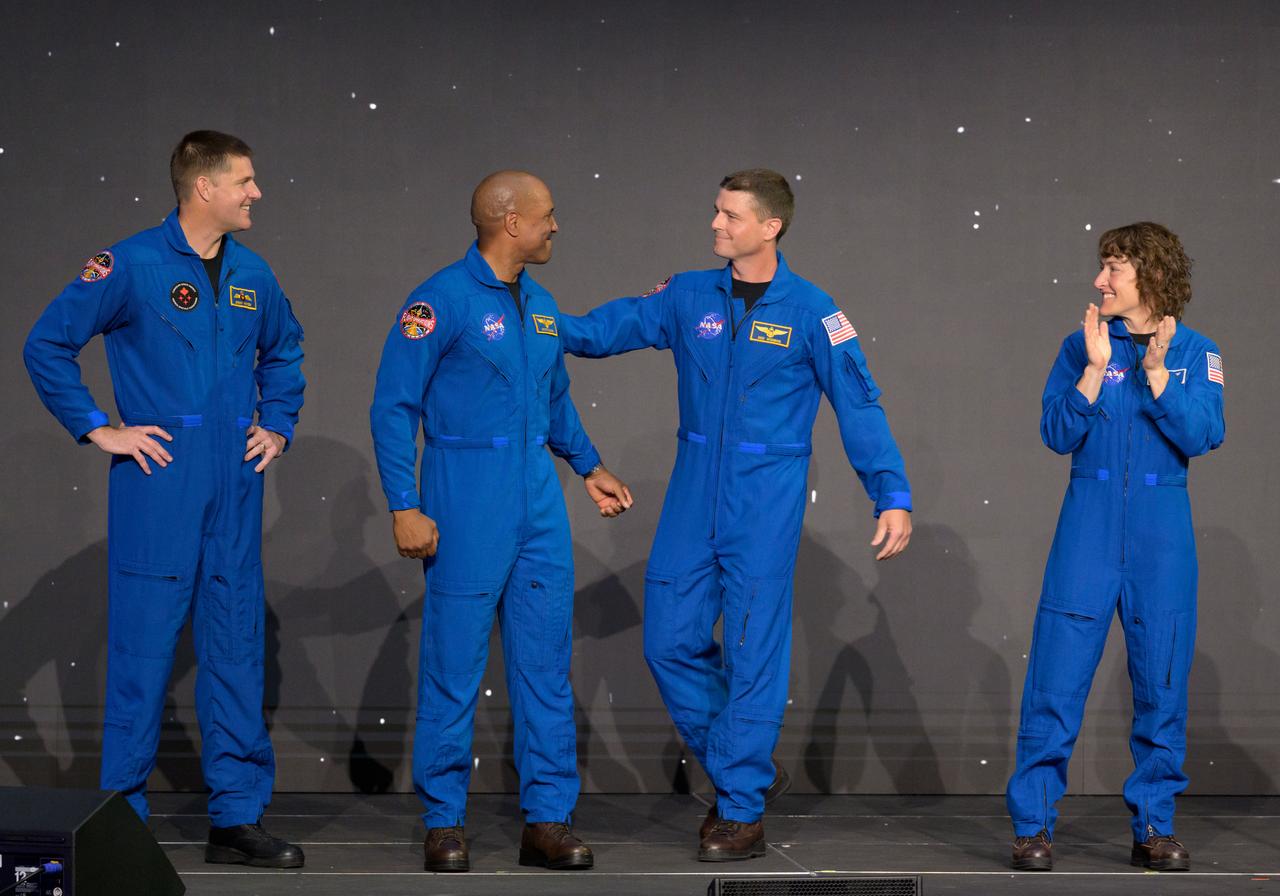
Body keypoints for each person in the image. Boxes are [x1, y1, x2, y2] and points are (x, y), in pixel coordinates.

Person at [559, 169, 912, 861]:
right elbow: (604, 330)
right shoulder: (690, 294)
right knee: (666, 639)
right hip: (695, 490)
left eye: (730, 215)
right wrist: (539, 323)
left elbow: (860, 405)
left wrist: (891, 492)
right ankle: (742, 764)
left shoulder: (814, 311)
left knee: (753, 652)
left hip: (766, 496)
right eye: (715, 212)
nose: (715, 224)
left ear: (770, 226)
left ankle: (741, 810)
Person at [23, 131, 306, 868]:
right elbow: (46, 345)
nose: (256, 193)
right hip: (161, 482)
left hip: (234, 489)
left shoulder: (253, 274)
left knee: (237, 647)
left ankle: (236, 819)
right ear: (203, 187)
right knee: (144, 654)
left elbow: (286, 350)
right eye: (244, 181)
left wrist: (276, 424)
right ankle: (122, 817)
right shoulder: (132, 264)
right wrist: (98, 429)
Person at [369, 170, 632, 873]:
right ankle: (444, 821)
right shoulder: (439, 300)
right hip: (464, 497)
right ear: (510, 221)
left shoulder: (541, 305)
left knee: (545, 666)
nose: (555, 226)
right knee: (454, 666)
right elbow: (394, 406)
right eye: (547, 215)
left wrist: (589, 465)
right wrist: (404, 503)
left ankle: (547, 820)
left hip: (536, 503)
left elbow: (554, 397)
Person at [1006, 223, 1223, 873]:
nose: (1100, 281)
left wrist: (1158, 375)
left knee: (1161, 681)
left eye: (1114, 269)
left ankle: (1154, 826)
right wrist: (1096, 371)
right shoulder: (1081, 346)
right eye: (1102, 268)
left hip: (1162, 532)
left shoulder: (1197, 351)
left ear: (1150, 276)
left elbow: (1204, 433)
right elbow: (1055, 430)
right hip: (1089, 526)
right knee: (1056, 677)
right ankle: (1033, 826)